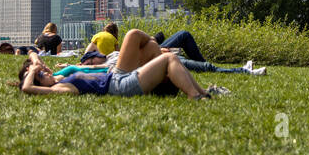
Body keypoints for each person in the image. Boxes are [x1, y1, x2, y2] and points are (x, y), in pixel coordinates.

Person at [16, 50, 214, 99]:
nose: (45, 72)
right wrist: (32, 74)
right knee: (169, 58)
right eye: (42, 75)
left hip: (119, 79)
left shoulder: (59, 78)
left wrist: (35, 67)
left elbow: (34, 54)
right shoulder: (60, 87)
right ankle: (195, 96)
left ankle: (202, 93)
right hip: (119, 86)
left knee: (170, 58)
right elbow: (27, 88)